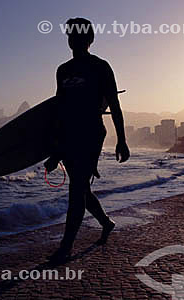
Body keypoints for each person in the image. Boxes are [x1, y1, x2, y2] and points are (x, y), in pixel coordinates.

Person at [45, 17, 130, 263]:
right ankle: (106, 222)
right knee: (82, 188)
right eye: (71, 35)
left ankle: (66, 247)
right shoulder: (63, 70)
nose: (74, 39)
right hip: (69, 135)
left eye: (79, 35)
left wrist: (122, 140)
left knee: (76, 189)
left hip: (92, 133)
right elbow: (60, 109)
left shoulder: (100, 67)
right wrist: (55, 149)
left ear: (89, 39)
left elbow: (114, 105)